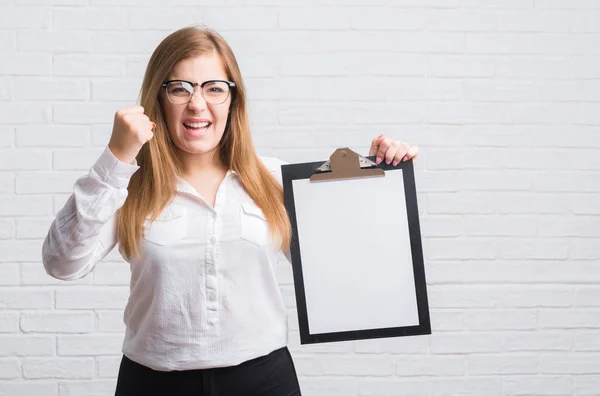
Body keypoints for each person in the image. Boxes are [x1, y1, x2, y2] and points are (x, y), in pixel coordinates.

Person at [41, 26, 419, 396]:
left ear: (232, 101)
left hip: (264, 380)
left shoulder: (272, 179)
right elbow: (62, 263)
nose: (197, 103)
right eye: (180, 88)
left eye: (214, 88)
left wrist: (378, 176)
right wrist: (117, 157)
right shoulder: (128, 185)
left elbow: (346, 262)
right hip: (153, 384)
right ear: (158, 99)